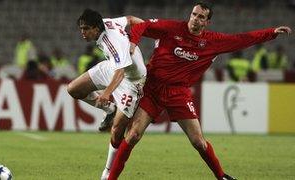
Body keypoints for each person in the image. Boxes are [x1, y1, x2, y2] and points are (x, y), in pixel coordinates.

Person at [108, 2, 292, 180]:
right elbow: (143, 26)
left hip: (178, 94)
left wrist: (271, 33)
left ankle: (221, 176)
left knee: (198, 142)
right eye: (194, 14)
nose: (195, 19)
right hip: (153, 88)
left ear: (207, 22)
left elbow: (242, 39)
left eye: (201, 17)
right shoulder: (172, 28)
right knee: (133, 135)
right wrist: (133, 43)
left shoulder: (213, 42)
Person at [66, 9, 146, 180]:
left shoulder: (113, 41)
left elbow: (122, 73)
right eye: (81, 29)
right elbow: (131, 19)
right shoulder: (108, 22)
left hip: (132, 81)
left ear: (96, 28)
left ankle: (108, 171)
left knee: (117, 130)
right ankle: (110, 110)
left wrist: (106, 93)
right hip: (113, 67)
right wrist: (149, 29)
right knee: (73, 89)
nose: (83, 32)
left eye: (86, 29)